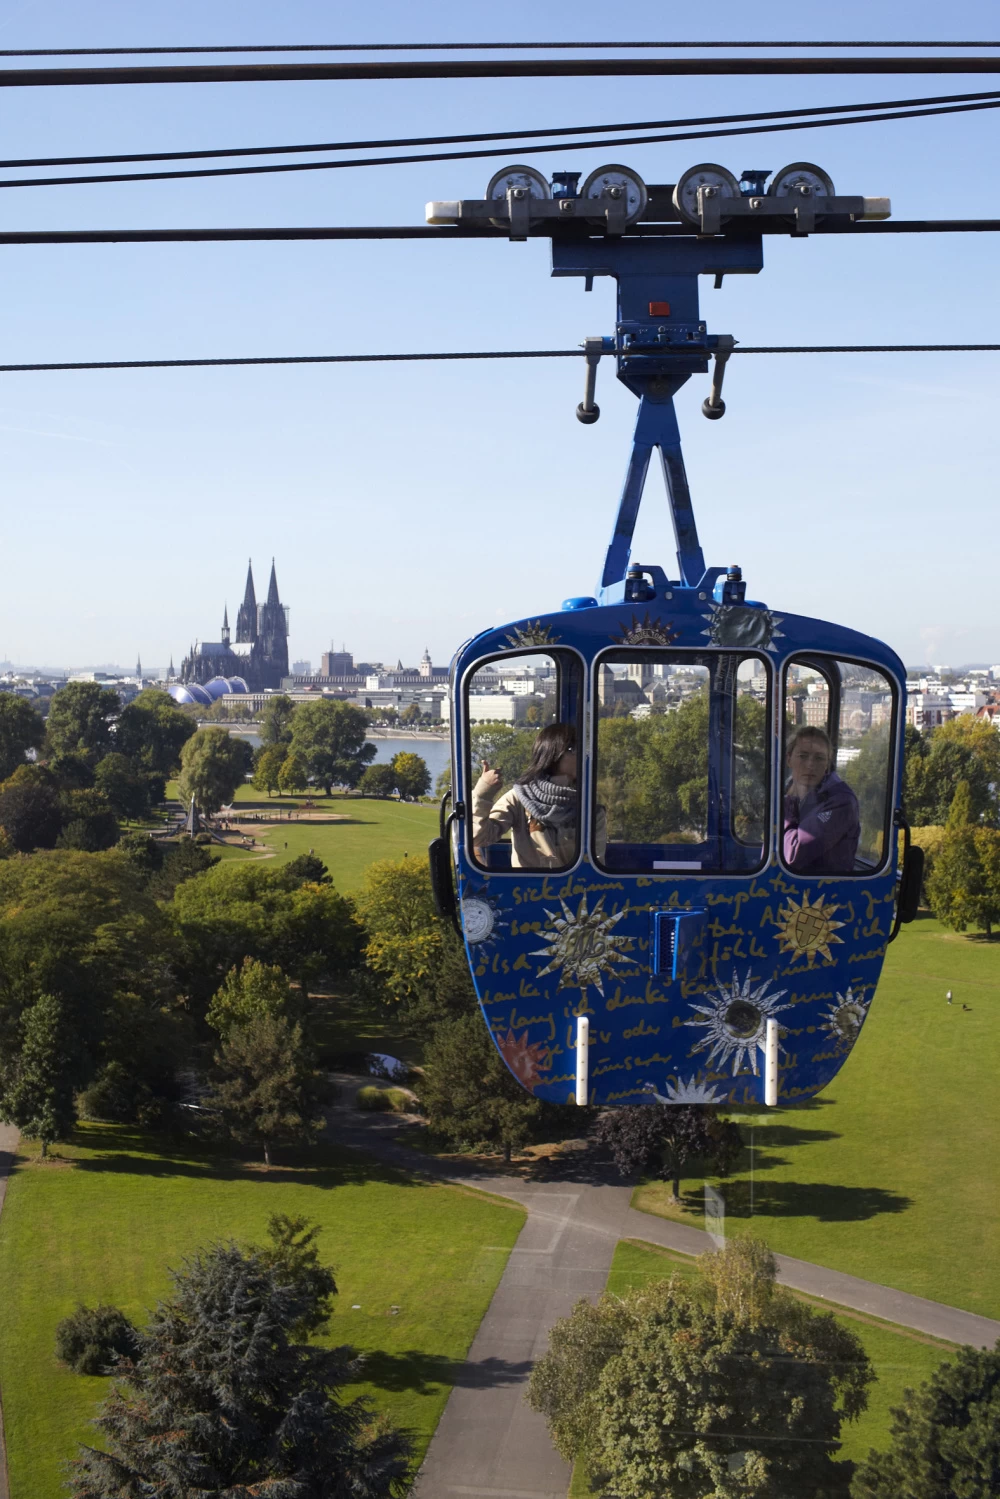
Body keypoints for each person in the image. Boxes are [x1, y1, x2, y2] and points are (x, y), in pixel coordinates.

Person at [472, 722, 602, 870]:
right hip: (527, 891)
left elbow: (594, 865)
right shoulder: (519, 798)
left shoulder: (590, 807)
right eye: (572, 749)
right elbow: (479, 838)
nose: (580, 756)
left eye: (582, 750)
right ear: (552, 754)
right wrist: (483, 793)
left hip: (573, 890)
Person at [783, 725, 860, 874]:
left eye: (819, 758)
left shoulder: (841, 801)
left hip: (827, 893)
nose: (810, 765)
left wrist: (790, 802)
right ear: (789, 759)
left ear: (827, 764)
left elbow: (793, 854)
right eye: (803, 756)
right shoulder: (789, 791)